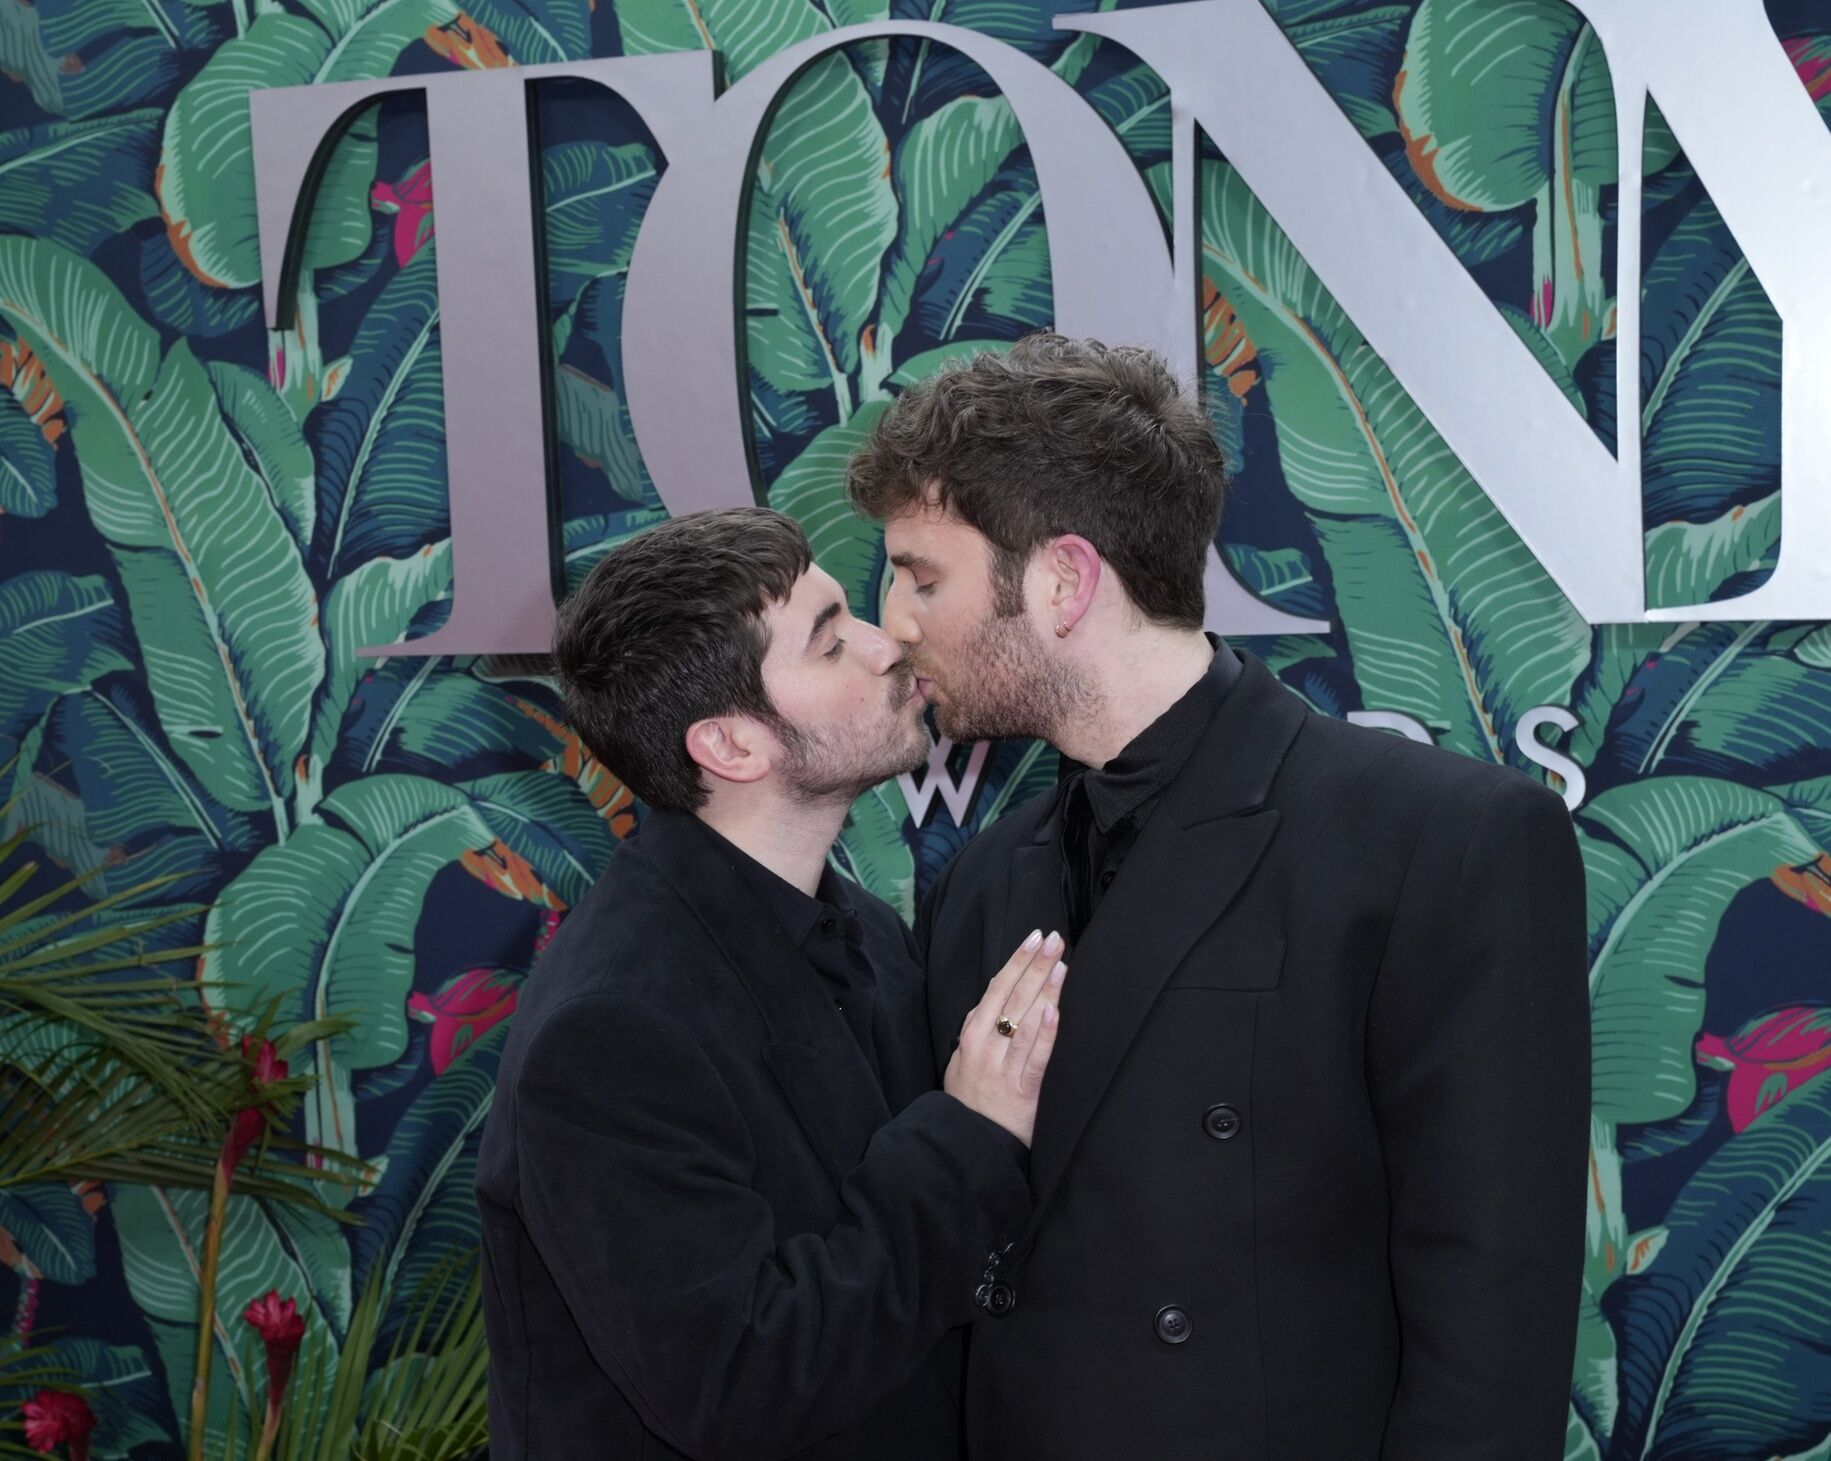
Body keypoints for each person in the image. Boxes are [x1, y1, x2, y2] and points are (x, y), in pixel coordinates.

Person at [847, 333, 1591, 1460]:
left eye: (921, 576)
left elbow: (1491, 1323)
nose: (894, 622)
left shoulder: (1442, 841)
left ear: (1061, 581)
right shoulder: (986, 880)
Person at [475, 507, 1068, 1460]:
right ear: (732, 747)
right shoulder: (610, 1030)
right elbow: (737, 1381)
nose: (888, 644)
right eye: (832, 642)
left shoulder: (863, 931)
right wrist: (971, 1133)